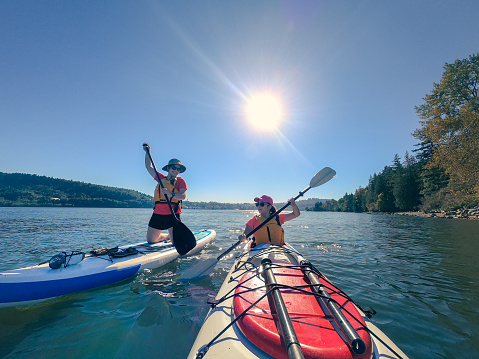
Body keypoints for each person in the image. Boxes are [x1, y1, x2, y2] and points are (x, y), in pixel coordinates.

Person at [143, 143, 187, 243]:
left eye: (178, 169)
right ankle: (167, 236)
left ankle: (174, 237)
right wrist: (147, 152)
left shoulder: (180, 181)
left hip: (173, 214)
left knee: (175, 243)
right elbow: (148, 166)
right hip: (158, 213)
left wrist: (170, 194)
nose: (176, 170)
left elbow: (183, 196)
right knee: (151, 241)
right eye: (174, 168)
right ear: (169, 169)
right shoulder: (160, 178)